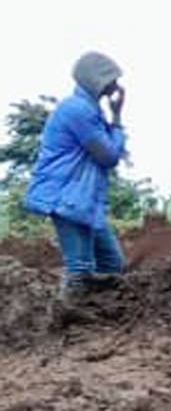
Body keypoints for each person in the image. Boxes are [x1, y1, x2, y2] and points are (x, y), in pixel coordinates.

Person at [24, 52, 129, 297]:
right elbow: (109, 156)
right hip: (68, 198)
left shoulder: (90, 110)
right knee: (80, 270)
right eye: (111, 79)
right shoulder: (77, 110)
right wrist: (117, 118)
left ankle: (100, 312)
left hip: (84, 201)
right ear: (96, 80)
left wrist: (112, 118)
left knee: (111, 263)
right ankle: (67, 314)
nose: (116, 85)